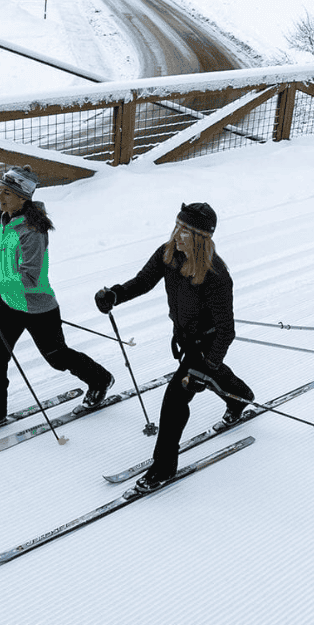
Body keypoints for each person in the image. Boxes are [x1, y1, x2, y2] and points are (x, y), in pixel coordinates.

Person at [95, 202, 254, 493]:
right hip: (184, 338)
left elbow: (227, 331)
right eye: (178, 227)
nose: (178, 235)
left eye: (186, 231)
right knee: (210, 377)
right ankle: (240, 397)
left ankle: (163, 468)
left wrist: (207, 365)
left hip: (207, 344)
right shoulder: (167, 254)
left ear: (201, 238)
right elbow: (142, 282)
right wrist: (114, 294)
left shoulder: (216, 275)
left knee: (174, 403)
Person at [0, 165, 114, 433]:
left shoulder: (33, 231)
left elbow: (31, 279)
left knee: (57, 358)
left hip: (38, 306)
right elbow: (9, 267)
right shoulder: (5, 221)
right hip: (11, 303)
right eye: (0, 191)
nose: (0, 198)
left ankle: (100, 379)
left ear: (23, 197)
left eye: (7, 193)